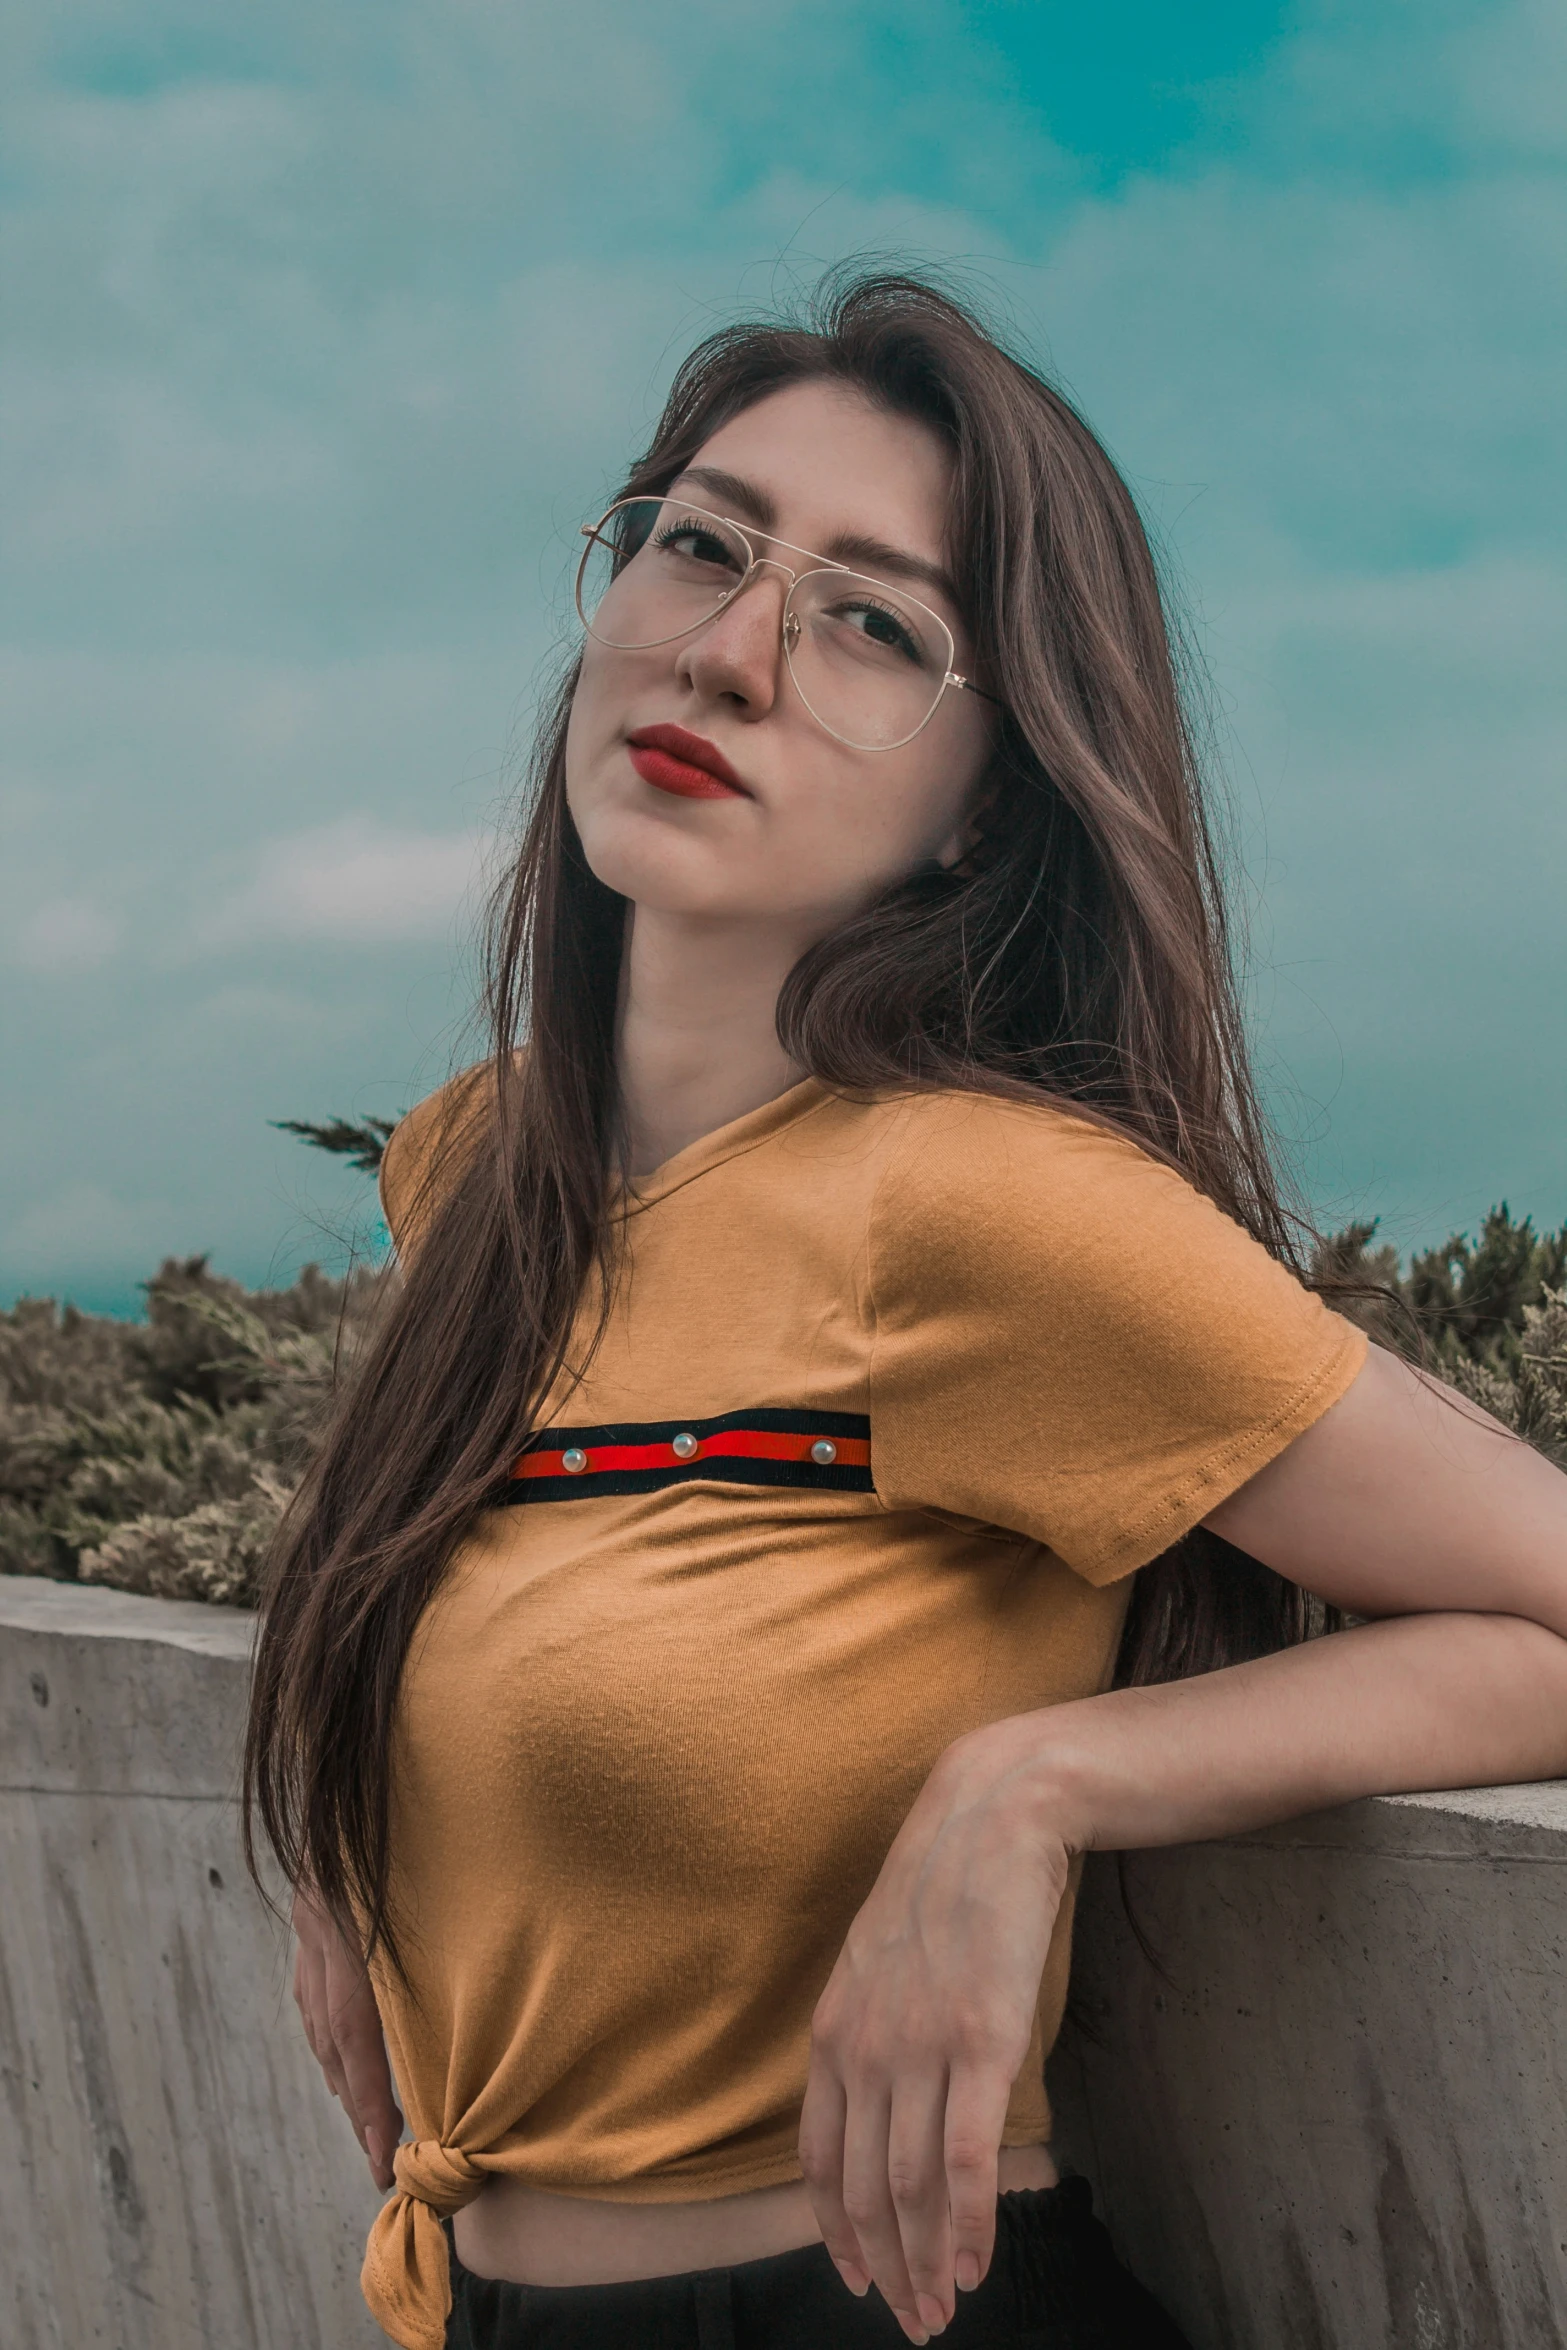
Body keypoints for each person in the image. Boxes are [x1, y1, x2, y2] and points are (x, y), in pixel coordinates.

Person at [245, 272, 1567, 2350]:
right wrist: (349, 1830)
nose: (732, 649)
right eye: (701, 539)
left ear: (983, 797)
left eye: (873, 619)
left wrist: (1032, 1780)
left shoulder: (987, 1206)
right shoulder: (472, 1170)